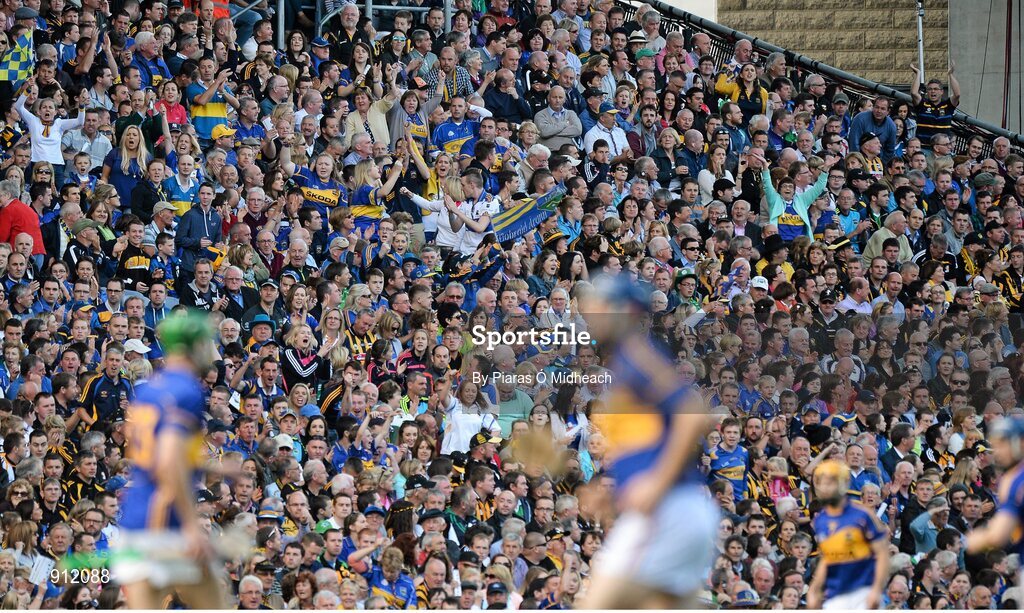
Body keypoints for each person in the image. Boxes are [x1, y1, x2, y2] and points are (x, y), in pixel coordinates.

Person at [112, 313, 226, 609]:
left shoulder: (149, 388)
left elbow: (149, 454)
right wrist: (190, 525)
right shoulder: (188, 390)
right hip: (165, 524)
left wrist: (208, 466)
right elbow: (167, 460)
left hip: (135, 519)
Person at [807, 460, 890, 609]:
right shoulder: (820, 521)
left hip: (863, 592)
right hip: (835, 594)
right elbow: (828, 558)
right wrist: (814, 588)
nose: (826, 488)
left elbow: (882, 554)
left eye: (830, 483)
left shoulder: (863, 515)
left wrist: (876, 589)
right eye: (822, 483)